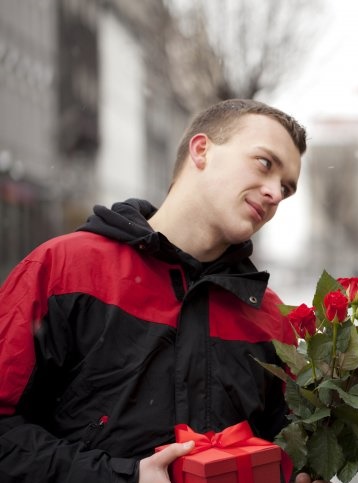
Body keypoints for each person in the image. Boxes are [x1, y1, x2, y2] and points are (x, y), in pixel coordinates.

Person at [0, 99, 322, 483]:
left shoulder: (271, 320)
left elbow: (284, 455)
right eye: (265, 163)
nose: (274, 194)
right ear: (201, 150)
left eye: (286, 188)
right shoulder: (63, 270)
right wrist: (125, 478)